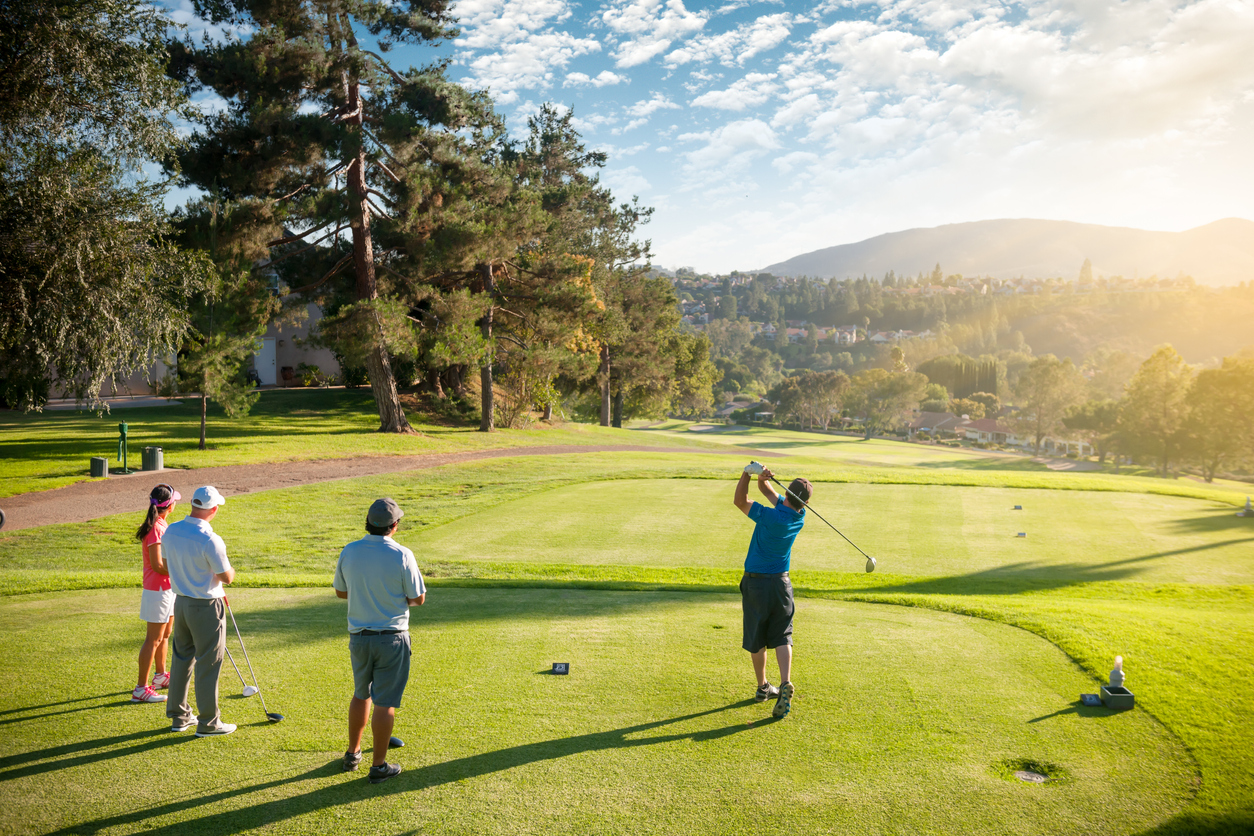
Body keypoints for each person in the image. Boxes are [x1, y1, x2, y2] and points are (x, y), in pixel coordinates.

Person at [333, 498, 426, 784]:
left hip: (359, 637)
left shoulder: (350, 551)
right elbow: (417, 598)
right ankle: (379, 766)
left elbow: (341, 592)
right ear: (394, 525)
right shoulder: (402, 554)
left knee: (362, 694)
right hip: (392, 638)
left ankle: (353, 753)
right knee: (385, 702)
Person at [733, 461, 810, 719]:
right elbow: (766, 491)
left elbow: (740, 501)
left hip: (756, 583)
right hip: (782, 584)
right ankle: (785, 682)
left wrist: (746, 472)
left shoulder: (769, 516)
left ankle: (763, 686)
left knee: (758, 636)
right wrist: (763, 478)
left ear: (787, 494)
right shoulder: (799, 516)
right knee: (782, 634)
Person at [162, 485, 236, 737]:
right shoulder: (210, 539)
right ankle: (209, 723)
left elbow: (167, 561)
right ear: (213, 509)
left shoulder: (171, 530)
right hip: (206, 606)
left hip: (180, 602)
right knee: (209, 662)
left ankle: (179, 717)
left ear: (193, 505)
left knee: (182, 658)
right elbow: (227, 577)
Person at [131, 484, 180, 704]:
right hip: (157, 590)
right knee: (153, 639)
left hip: (167, 588)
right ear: (169, 506)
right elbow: (158, 565)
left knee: (166, 634)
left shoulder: (161, 524)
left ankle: (160, 676)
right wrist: (182, 570)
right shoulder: (156, 529)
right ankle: (141, 688)